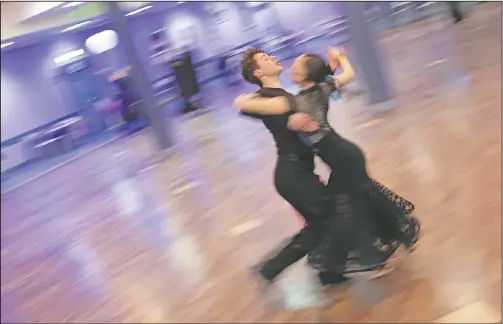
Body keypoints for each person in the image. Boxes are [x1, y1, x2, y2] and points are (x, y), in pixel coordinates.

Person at [238, 48, 418, 289]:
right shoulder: (268, 98)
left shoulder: (284, 95)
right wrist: (243, 102)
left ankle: (316, 271)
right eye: (264, 59)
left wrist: (328, 69)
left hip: (300, 172)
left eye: (268, 55)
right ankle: (342, 266)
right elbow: (269, 108)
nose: (271, 57)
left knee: (326, 221)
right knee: (335, 215)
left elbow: (311, 92)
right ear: (258, 72)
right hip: (293, 175)